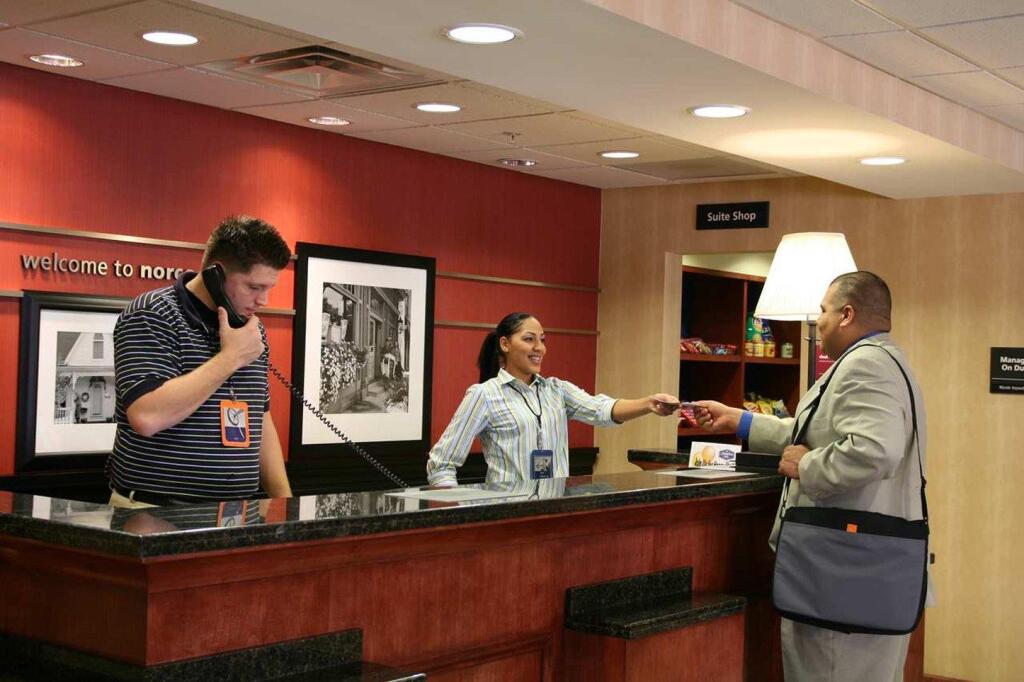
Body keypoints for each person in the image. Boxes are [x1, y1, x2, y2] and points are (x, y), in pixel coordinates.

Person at [695, 271, 929, 682]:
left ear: (847, 315)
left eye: (823, 311)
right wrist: (741, 421)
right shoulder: (884, 359)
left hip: (843, 571)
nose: (816, 321)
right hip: (861, 571)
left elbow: (875, 450)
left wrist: (806, 466)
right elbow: (817, 432)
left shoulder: (865, 366)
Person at [107, 215, 293, 507]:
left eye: (269, 288)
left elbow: (260, 418)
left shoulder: (249, 330)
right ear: (214, 274)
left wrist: (285, 504)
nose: (264, 301)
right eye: (254, 287)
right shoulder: (152, 313)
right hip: (156, 509)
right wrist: (230, 358)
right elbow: (146, 417)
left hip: (235, 511)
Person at [426, 312, 680, 486]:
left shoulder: (557, 390)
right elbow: (441, 465)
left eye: (542, 340)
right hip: (508, 516)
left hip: (555, 511)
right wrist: (455, 512)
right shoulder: (485, 394)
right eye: (529, 339)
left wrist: (649, 403)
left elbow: (602, 409)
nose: (539, 347)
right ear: (505, 344)